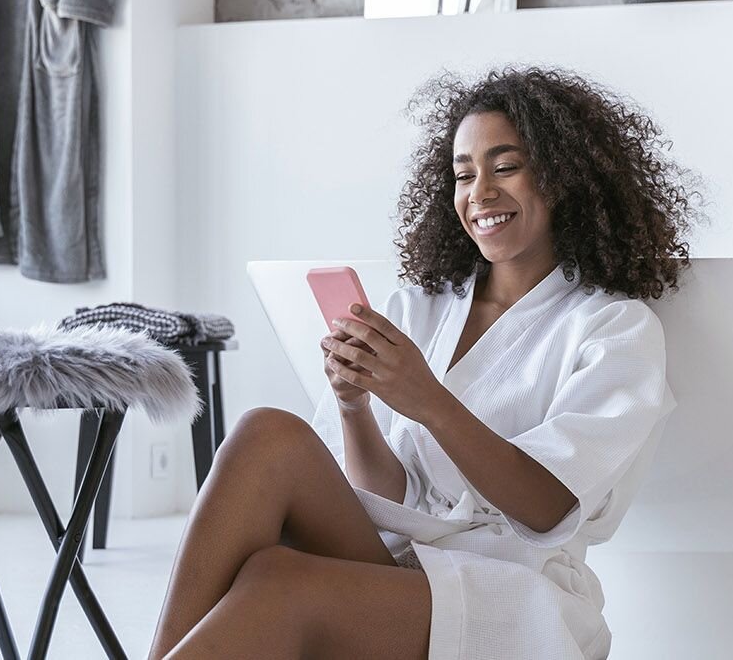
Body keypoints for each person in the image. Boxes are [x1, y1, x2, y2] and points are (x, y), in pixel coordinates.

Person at [148, 65, 702, 659]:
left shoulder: (610, 327)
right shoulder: (421, 307)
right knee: (267, 434)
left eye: (505, 167)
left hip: (508, 590)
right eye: (464, 175)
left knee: (280, 582)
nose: (480, 193)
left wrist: (426, 399)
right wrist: (353, 405)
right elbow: (387, 493)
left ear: (562, 177)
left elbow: (549, 508)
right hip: (394, 559)